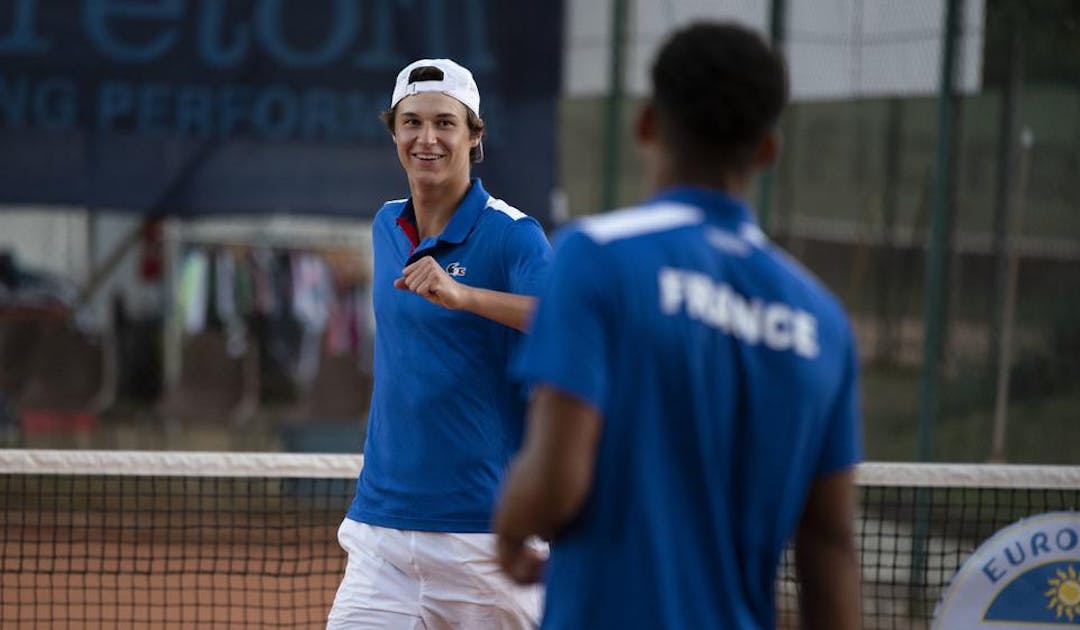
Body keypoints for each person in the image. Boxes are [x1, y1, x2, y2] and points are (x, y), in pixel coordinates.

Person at [494, 21, 862, 630]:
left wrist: (510, 527)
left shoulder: (595, 256)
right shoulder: (822, 319)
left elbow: (555, 485)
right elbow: (829, 547)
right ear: (768, 149)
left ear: (646, 124)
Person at [326, 58, 552, 629]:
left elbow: (565, 320)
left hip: (485, 539)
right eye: (412, 122)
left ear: (475, 136)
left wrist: (467, 295)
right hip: (381, 536)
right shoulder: (385, 225)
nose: (427, 138)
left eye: (445, 123)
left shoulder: (513, 234)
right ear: (394, 132)